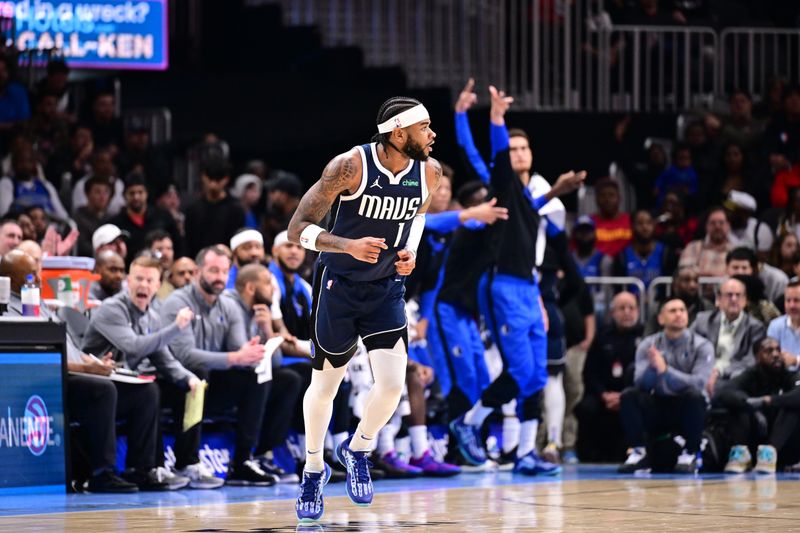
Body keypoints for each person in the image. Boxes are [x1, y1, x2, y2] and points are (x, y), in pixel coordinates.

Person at [287, 95, 441, 521]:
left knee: (393, 384)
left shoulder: (430, 172)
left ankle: (358, 448)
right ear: (398, 134)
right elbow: (295, 230)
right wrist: (347, 245)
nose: (432, 135)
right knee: (326, 386)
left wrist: (409, 250)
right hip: (339, 286)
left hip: (387, 288)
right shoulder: (349, 167)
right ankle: (314, 469)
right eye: (424, 127)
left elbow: (419, 217)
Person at [446, 84, 583, 478]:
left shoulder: (526, 197)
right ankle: (469, 422)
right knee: (522, 372)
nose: (519, 153)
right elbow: (486, 154)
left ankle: (526, 453)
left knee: (536, 377)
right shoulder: (502, 185)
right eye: (513, 149)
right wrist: (494, 117)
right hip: (503, 287)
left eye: (526, 149)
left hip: (529, 289)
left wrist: (557, 189)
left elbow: (534, 209)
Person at [0, 250, 170, 492]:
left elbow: (68, 348)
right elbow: (40, 360)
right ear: (8, 279)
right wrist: (86, 368)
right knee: (102, 389)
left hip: (76, 372)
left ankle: (141, 470)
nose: (38, 280)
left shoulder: (39, 303)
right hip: (50, 383)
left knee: (146, 391)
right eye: (30, 275)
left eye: (36, 274)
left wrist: (95, 363)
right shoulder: (6, 310)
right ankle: (102, 473)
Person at [81, 255, 202, 490]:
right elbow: (134, 346)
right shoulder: (112, 309)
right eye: (138, 279)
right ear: (128, 281)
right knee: (146, 391)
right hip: (89, 384)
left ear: (158, 286)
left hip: (116, 384)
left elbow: (164, 359)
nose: (143, 285)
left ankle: (150, 469)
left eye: (149, 280)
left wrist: (188, 378)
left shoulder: (152, 317)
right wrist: (175, 327)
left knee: (168, 387)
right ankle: (109, 472)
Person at [160, 245, 273, 488]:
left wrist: (251, 351)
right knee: (197, 374)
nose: (219, 277)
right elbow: (185, 356)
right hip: (174, 382)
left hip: (211, 383)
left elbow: (238, 350)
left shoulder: (228, 306)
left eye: (224, 271)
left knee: (255, 377)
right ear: (198, 271)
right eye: (213, 270)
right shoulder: (178, 302)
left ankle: (243, 461)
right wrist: (236, 357)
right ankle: (186, 463)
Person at [222, 262, 301, 484]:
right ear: (250, 288)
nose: (273, 289)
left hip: (242, 374)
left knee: (288, 379)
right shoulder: (230, 304)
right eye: (267, 283)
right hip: (215, 376)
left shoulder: (257, 310)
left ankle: (263, 453)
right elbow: (242, 353)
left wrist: (267, 330)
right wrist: (264, 345)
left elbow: (274, 363)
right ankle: (241, 461)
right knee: (257, 378)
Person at [618, 299, 715, 474]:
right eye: (672, 311)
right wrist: (652, 368)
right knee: (629, 395)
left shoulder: (702, 345)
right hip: (658, 402)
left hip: (685, 406)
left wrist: (666, 371)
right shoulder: (648, 345)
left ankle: (690, 452)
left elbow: (700, 382)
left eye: (682, 310)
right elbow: (640, 383)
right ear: (661, 319)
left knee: (694, 396)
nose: (679, 314)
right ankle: (639, 452)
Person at [715, 337, 800, 473]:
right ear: (757, 357)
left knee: (792, 405)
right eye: (769, 351)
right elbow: (724, 391)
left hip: (784, 446)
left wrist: (769, 400)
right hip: (755, 441)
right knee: (737, 404)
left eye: (778, 350)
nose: (776, 354)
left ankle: (770, 453)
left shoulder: (790, 375)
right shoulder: (751, 374)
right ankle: (741, 455)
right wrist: (751, 406)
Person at [577, 291, 642, 462]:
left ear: (638, 311)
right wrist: (603, 394)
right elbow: (589, 372)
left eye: (631, 308)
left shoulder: (645, 337)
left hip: (632, 394)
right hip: (604, 393)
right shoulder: (602, 336)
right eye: (622, 308)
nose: (627, 312)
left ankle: (637, 452)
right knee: (586, 407)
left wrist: (624, 396)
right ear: (612, 312)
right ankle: (587, 456)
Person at [691, 278, 765, 396]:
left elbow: (750, 361)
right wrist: (706, 371)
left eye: (738, 295)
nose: (734, 299)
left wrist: (718, 372)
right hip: (704, 373)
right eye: (729, 295)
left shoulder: (755, 327)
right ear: (718, 299)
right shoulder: (702, 321)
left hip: (735, 377)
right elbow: (691, 349)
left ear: (745, 300)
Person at [108, 172, 181, 260]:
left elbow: (178, 244)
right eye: (132, 193)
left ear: (146, 194)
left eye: (140, 192)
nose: (136, 197)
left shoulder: (163, 217)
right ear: (124, 195)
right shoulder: (115, 223)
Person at [184, 156, 245, 257]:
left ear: (226, 179)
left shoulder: (236, 209)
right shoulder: (193, 209)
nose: (213, 184)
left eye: (218, 179)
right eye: (210, 178)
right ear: (203, 177)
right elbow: (188, 243)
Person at [679, 208, 735, 278]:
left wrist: (703, 274)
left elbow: (736, 274)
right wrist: (715, 275)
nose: (717, 226)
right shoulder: (693, 247)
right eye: (713, 223)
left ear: (728, 226)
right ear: (706, 226)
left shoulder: (735, 250)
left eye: (721, 223)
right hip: (697, 289)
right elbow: (684, 270)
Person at [591, 177, 632, 257]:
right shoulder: (588, 223)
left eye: (611, 195)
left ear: (619, 198)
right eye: (603, 195)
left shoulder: (631, 221)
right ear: (596, 199)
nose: (607, 199)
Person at [74, 176, 112, 257]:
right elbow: (81, 247)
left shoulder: (111, 218)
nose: (102, 197)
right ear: (87, 194)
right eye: (97, 192)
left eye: (106, 192)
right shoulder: (78, 218)